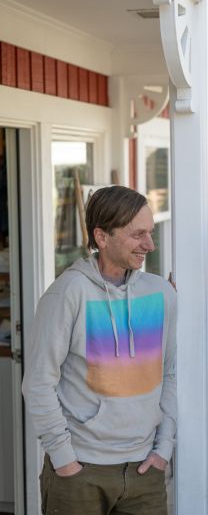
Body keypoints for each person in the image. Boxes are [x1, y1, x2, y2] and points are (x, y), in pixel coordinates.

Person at [22, 186, 177, 515]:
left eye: (150, 233)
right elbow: (38, 382)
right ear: (102, 237)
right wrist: (64, 460)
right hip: (81, 473)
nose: (149, 245)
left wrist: (164, 447)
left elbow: (171, 373)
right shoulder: (67, 294)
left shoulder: (161, 293)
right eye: (138, 235)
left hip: (145, 472)